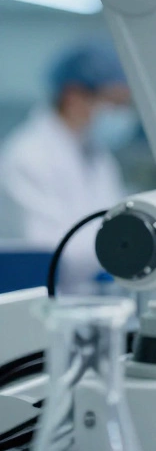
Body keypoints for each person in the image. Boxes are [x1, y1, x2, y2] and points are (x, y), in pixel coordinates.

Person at [0, 40, 135, 291]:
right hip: (43, 300)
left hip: (88, 297)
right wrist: (124, 244)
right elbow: (53, 253)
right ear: (73, 96)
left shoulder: (97, 155)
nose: (120, 114)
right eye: (113, 102)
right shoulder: (27, 156)